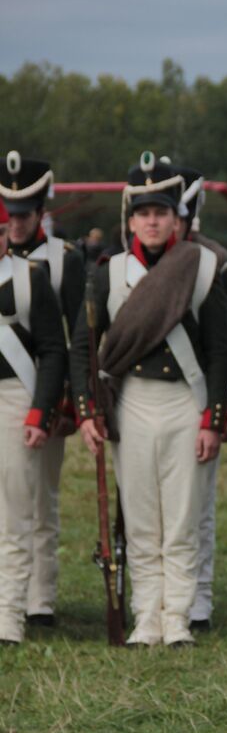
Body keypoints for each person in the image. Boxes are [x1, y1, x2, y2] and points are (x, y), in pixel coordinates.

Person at [70, 153, 227, 647]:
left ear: (176, 217)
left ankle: (177, 615)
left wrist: (212, 418)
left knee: (181, 518)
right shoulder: (107, 273)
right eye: (143, 213)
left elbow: (222, 349)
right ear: (131, 219)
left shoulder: (203, 268)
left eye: (161, 211)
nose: (153, 221)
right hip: (132, 403)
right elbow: (82, 345)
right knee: (140, 518)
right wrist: (86, 411)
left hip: (186, 400)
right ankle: (146, 616)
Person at [0, 151, 86, 628]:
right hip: (13, 389)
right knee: (14, 499)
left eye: (24, 215)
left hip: (47, 394)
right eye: (9, 215)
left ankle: (40, 598)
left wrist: (69, 402)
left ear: (39, 213)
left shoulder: (63, 260)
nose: (15, 223)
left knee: (42, 499)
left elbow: (73, 339)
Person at [174, 162, 227, 631]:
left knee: (198, 507)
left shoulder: (213, 259)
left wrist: (219, 409)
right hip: (151, 401)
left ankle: (198, 599)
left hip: (200, 395)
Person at [0, 196, 68, 644]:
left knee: (15, 512)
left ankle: (8, 616)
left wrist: (39, 412)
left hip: (14, 398)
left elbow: (52, 350)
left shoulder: (30, 278)